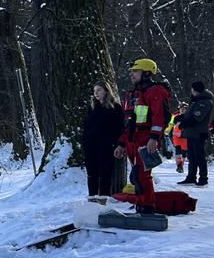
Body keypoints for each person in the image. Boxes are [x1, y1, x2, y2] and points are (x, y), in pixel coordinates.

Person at [115, 59, 172, 211]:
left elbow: (159, 117)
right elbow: (129, 122)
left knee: (142, 175)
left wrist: (154, 138)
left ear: (146, 73)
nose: (131, 74)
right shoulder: (134, 94)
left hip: (146, 140)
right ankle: (142, 202)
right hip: (133, 140)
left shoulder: (154, 91)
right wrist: (121, 143)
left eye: (135, 71)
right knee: (136, 176)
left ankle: (147, 206)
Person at [81, 81, 124, 196]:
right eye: (94, 91)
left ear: (106, 90)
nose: (96, 93)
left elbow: (119, 127)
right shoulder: (92, 107)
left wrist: (118, 144)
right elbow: (86, 126)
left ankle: (104, 199)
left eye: (99, 90)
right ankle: (92, 198)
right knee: (91, 174)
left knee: (105, 174)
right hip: (91, 145)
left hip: (106, 145)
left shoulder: (115, 107)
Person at [176, 81, 214, 187]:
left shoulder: (204, 102)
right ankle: (191, 177)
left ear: (196, 90)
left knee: (199, 156)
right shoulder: (196, 101)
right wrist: (181, 117)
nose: (191, 91)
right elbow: (189, 114)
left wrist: (183, 124)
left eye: (192, 89)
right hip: (192, 133)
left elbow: (196, 117)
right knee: (192, 156)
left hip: (198, 133)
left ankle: (203, 179)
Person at [165, 103, 189, 173]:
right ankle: (179, 165)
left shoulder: (189, 117)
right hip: (176, 137)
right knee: (178, 151)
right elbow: (170, 125)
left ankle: (182, 165)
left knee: (184, 151)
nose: (182, 110)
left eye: (184, 109)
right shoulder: (175, 116)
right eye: (181, 109)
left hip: (185, 137)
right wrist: (166, 132)